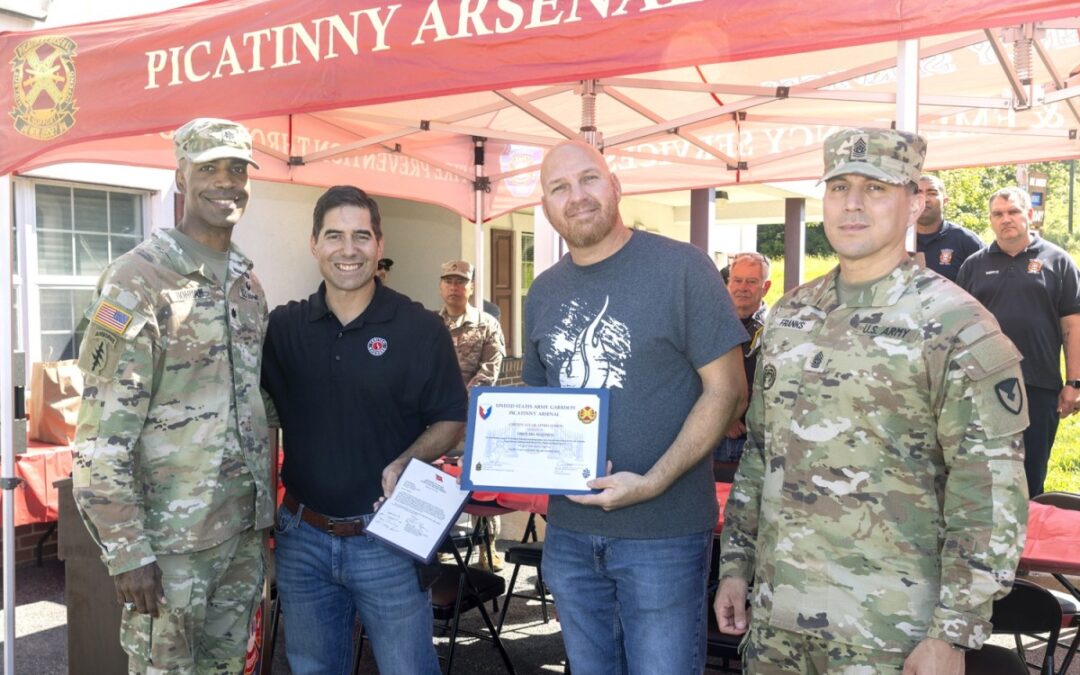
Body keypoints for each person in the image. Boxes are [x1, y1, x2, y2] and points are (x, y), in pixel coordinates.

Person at [716, 128, 1029, 674]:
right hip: (777, 622)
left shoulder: (956, 325)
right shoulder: (792, 317)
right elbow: (760, 458)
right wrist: (736, 567)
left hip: (889, 635)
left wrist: (953, 634)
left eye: (876, 188)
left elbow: (989, 491)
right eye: (838, 187)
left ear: (914, 202)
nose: (853, 204)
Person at [524, 140, 748, 673]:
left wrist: (653, 481)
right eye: (559, 187)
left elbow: (728, 390)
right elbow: (538, 405)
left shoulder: (682, 268)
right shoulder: (543, 290)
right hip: (570, 536)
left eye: (589, 179)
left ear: (616, 185)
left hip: (663, 534)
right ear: (546, 205)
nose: (576, 197)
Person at [72, 118, 272, 674]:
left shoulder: (246, 284)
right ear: (180, 176)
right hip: (168, 546)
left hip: (239, 535)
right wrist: (128, 550)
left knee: (230, 668)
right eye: (208, 168)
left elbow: (255, 402)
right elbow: (98, 436)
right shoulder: (136, 280)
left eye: (237, 169)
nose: (225, 182)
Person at [261, 185, 467, 675]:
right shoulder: (284, 329)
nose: (347, 249)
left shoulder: (419, 329)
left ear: (379, 243)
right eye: (334, 235)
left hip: (386, 539)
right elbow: (252, 415)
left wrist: (405, 460)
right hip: (302, 538)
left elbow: (453, 420)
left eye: (360, 236)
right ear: (313, 243)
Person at [957, 186, 1080, 497]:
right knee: (984, 473)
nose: (1006, 219)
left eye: (1013, 212)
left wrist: (1075, 382)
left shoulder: (1059, 261)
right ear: (991, 220)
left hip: (1038, 384)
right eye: (998, 214)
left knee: (1031, 473)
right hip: (983, 384)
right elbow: (957, 327)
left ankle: (1028, 540)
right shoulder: (973, 265)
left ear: (1029, 215)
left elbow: (1073, 326)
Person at [715, 252, 771, 465]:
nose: (743, 287)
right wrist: (725, 418)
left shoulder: (778, 328)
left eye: (751, 281)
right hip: (714, 437)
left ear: (765, 287)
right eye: (737, 280)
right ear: (728, 283)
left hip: (757, 440)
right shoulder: (709, 324)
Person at [439, 260, 506, 389]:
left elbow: (489, 371)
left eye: (460, 282)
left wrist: (462, 399)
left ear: (472, 287)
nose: (453, 287)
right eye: (448, 281)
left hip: (471, 404)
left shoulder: (487, 325)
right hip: (433, 405)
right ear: (440, 287)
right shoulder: (431, 324)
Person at [915, 174, 984, 282]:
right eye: (918, 192)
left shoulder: (966, 241)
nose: (924, 199)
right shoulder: (896, 241)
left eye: (932, 193)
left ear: (945, 201)